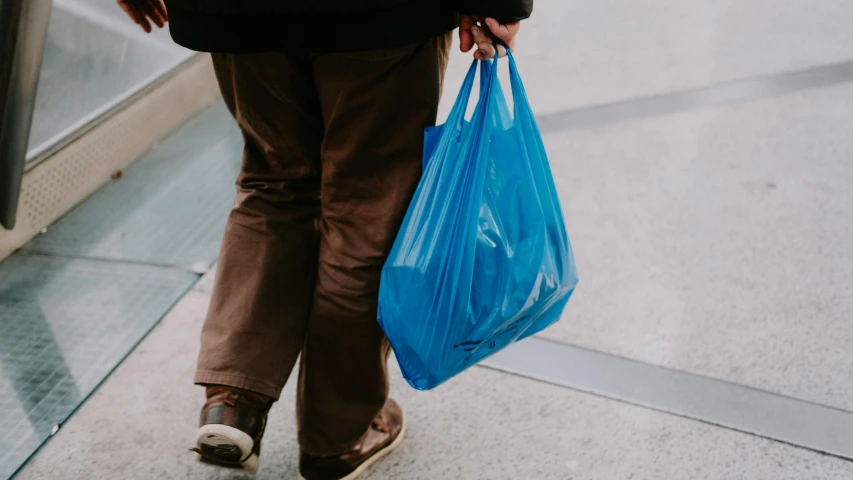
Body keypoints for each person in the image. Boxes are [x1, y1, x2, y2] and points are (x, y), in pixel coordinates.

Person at [117, 0, 529, 478]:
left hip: (233, 13)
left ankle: (233, 401)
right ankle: (337, 436)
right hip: (373, 19)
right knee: (367, 204)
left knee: (274, 180)